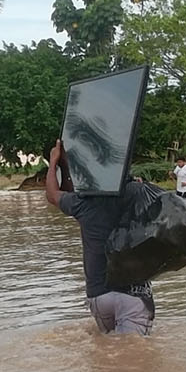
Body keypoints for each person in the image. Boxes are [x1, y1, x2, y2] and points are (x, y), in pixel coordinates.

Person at [44, 140, 153, 336]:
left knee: (108, 353)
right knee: (132, 359)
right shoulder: (138, 192)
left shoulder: (83, 202)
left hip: (98, 296)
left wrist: (55, 162)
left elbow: (53, 194)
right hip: (132, 294)